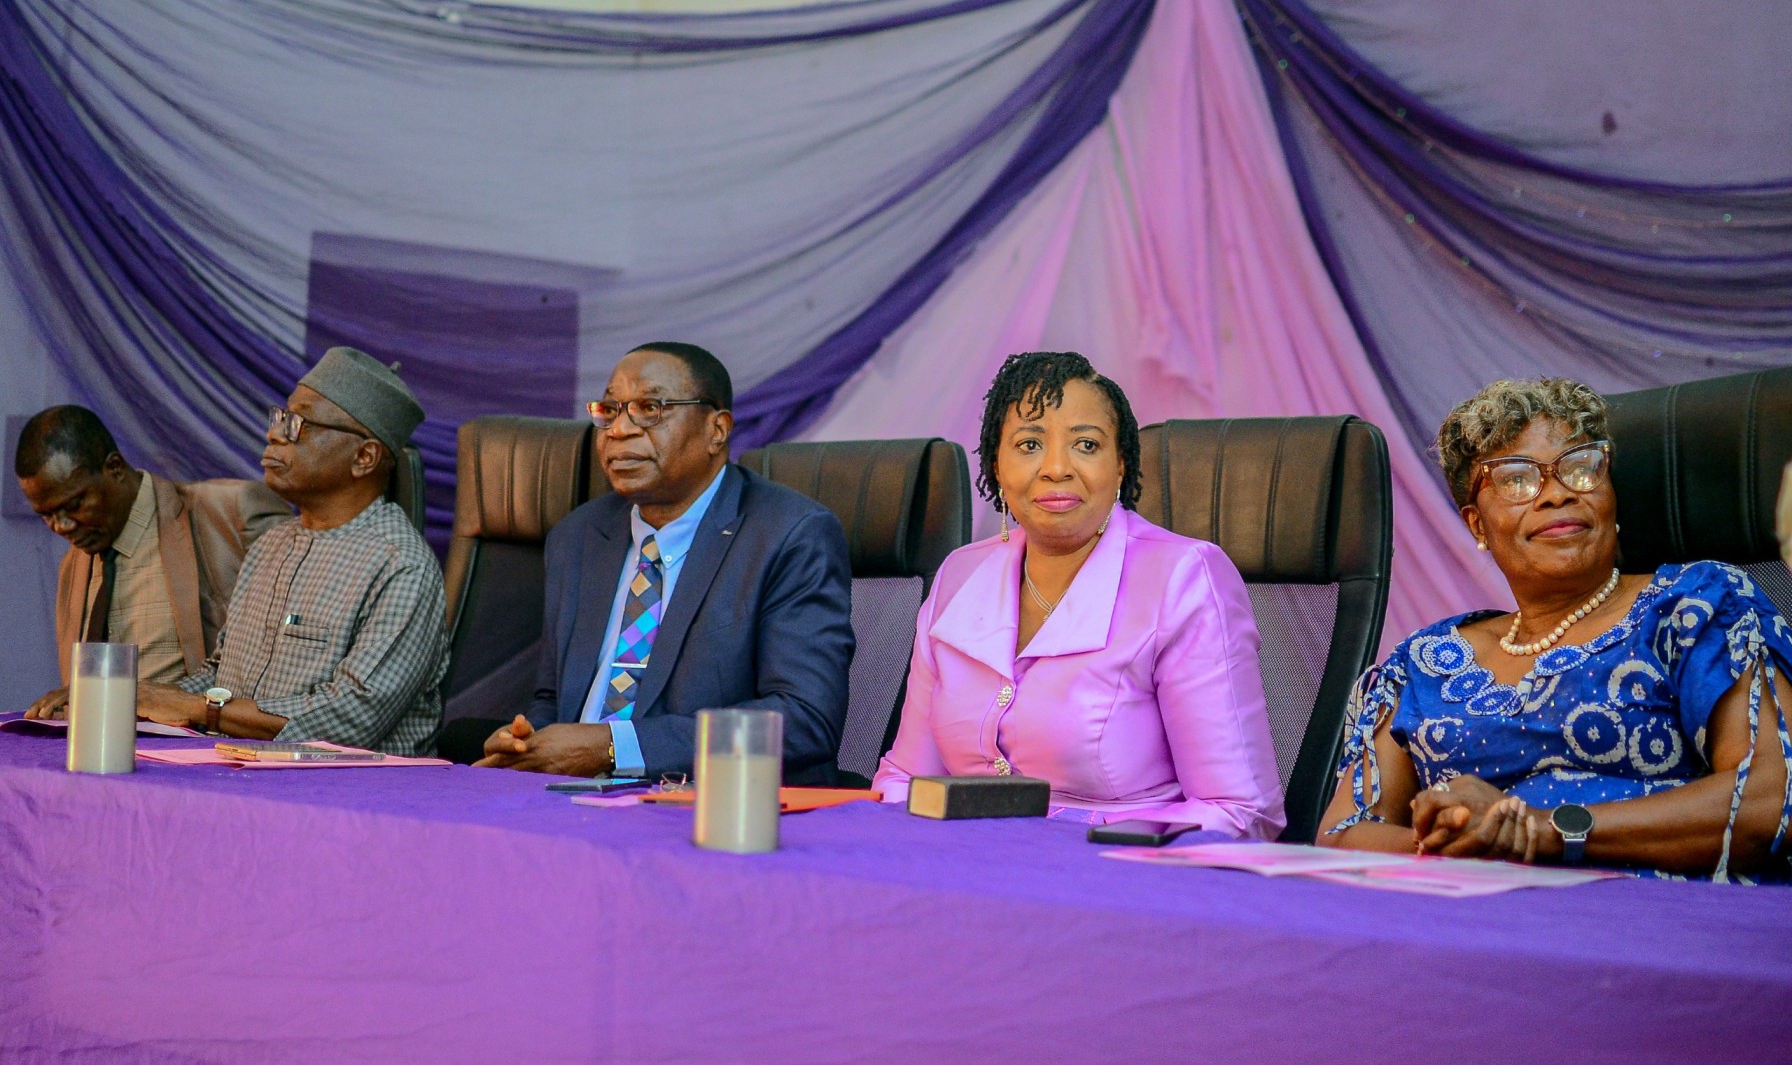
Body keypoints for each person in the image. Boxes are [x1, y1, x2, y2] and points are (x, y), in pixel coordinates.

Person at [1317, 378, 1792, 881]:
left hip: (1657, 913)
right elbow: (1342, 835)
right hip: (1469, 912)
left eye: (1580, 468)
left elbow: (1773, 796)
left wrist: (1545, 832)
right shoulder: (1425, 662)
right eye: (1516, 480)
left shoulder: (1694, 606)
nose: (1557, 494)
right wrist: (1465, 844)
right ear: (1477, 525)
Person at [872, 352, 1285, 838]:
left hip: (1117, 868)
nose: (1056, 468)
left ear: (1120, 465)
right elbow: (905, 778)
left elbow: (1238, 810)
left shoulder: (1184, 578)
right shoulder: (958, 576)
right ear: (997, 467)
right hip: (964, 862)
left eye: (1086, 445)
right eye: (1029, 444)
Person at [29, 348, 450, 755]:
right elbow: (222, 677)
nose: (274, 433)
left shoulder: (400, 565)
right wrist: (122, 697)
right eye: (280, 417)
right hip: (245, 776)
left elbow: (353, 718)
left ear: (364, 457)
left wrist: (199, 708)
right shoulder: (272, 545)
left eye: (298, 424)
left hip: (353, 793)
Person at [469, 342, 853, 783]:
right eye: (609, 411)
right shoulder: (578, 537)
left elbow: (803, 721)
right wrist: (528, 741)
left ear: (717, 430)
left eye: (649, 409)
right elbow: (554, 698)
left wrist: (613, 748)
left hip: (706, 804)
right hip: (566, 799)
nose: (618, 430)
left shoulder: (790, 535)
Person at [15, 406, 288, 690]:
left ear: (115, 468)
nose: (61, 526)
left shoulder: (233, 511)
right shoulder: (73, 565)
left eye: (74, 505)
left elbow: (297, 655)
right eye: (46, 515)